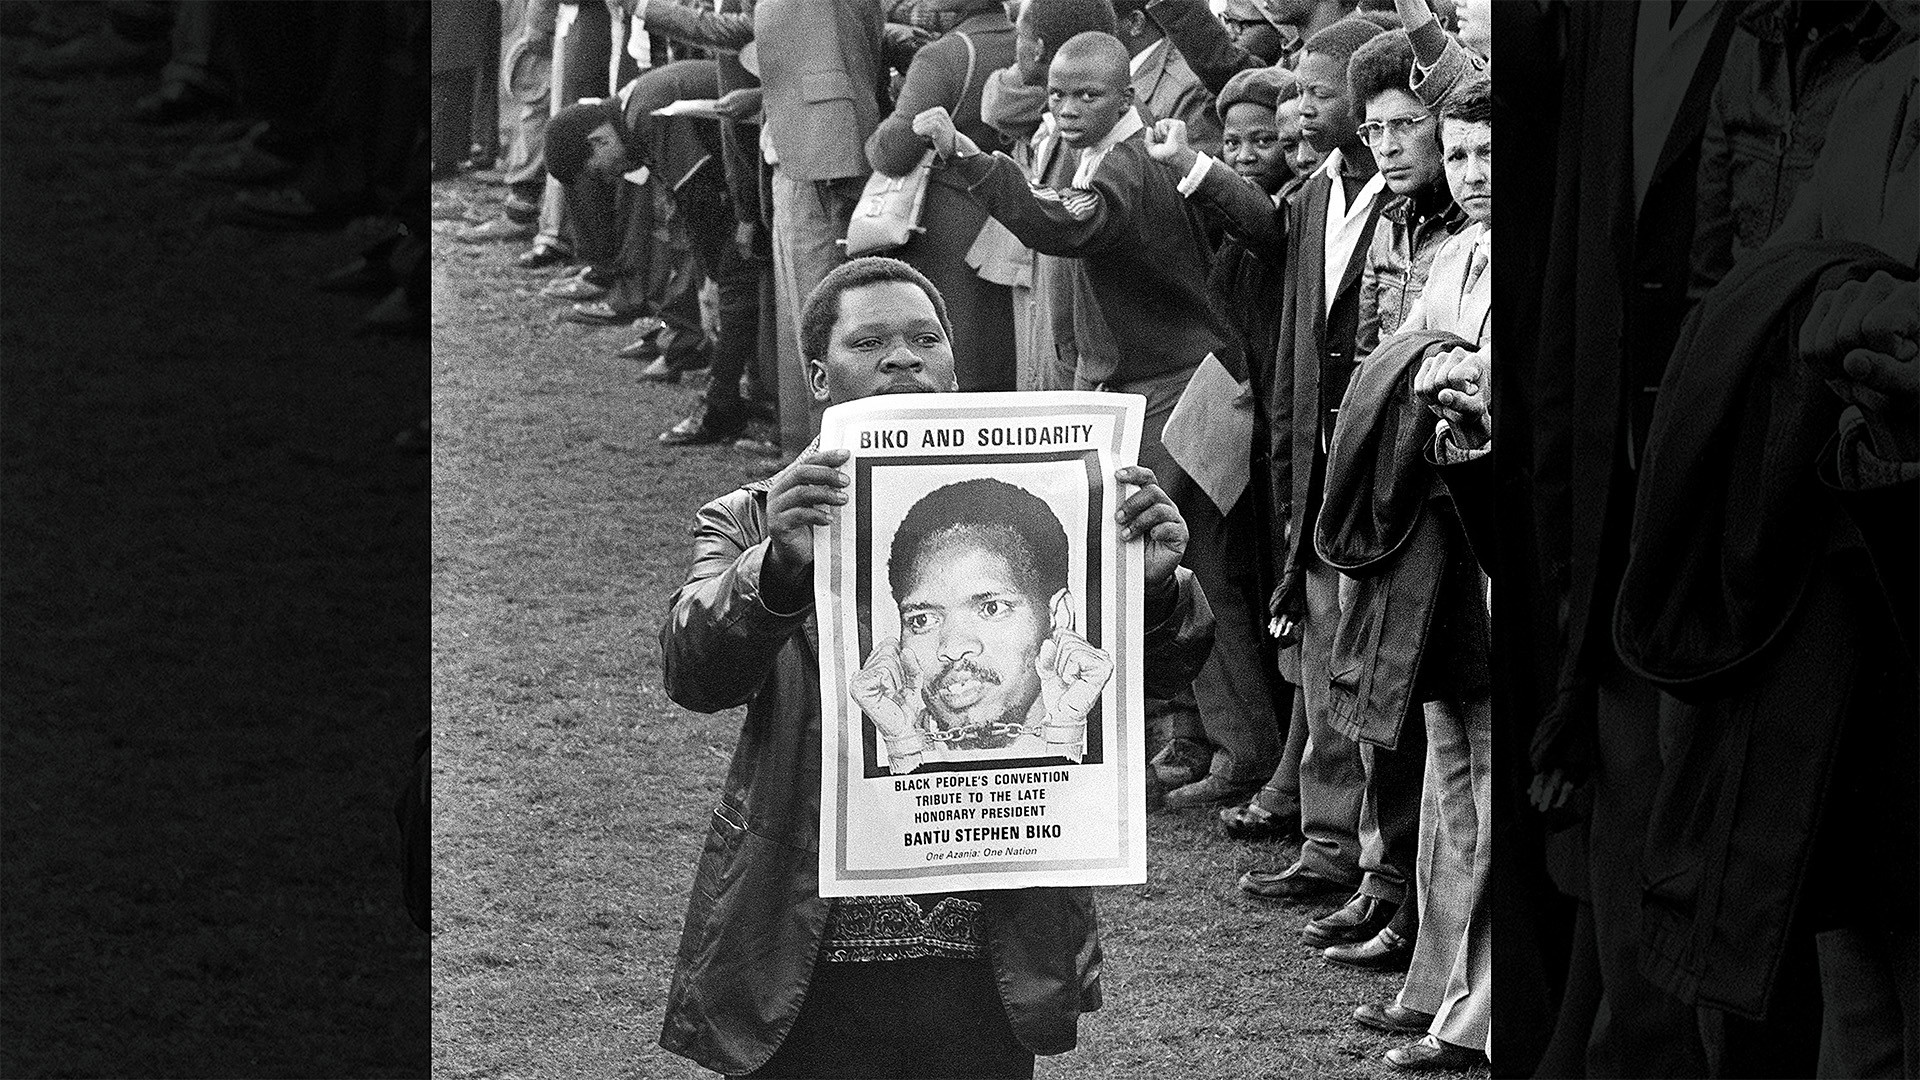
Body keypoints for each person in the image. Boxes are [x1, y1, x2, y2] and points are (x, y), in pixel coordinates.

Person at [658, 255, 1216, 1079]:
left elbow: (1163, 671)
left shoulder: (1056, 494)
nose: (902, 358)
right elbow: (694, 672)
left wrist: (1159, 585)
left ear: (955, 361)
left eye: (925, 337)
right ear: (818, 374)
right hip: (804, 943)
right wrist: (777, 567)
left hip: (984, 947)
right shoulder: (755, 515)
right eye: (870, 341)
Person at [1335, 75, 1492, 1073]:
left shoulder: (1523, 255)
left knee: (1482, 775)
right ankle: (1437, 989)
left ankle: (1476, 1015)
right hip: (1441, 537)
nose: (1474, 176)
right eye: (1465, 154)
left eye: (1488, 156)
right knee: (1449, 776)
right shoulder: (1463, 251)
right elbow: (1398, 366)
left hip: (1489, 539)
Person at [854, 478, 1112, 770]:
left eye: (991, 608)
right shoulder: (886, 733)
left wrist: (1066, 734)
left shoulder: (1111, 724)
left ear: (1057, 617)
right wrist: (903, 747)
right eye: (922, 620)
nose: (951, 648)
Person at [867, 0, 1022, 393]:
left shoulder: (944, 55)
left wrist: (896, 103)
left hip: (952, 228)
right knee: (1006, 363)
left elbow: (892, 153)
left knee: (956, 367)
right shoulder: (1023, 42)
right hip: (1017, 219)